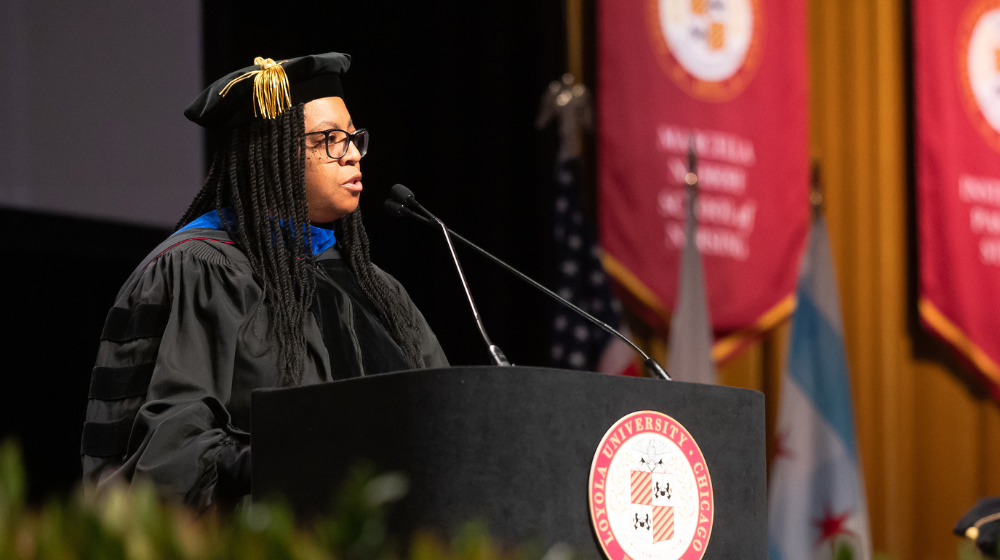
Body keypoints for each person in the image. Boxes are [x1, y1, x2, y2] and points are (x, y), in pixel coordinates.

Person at [80, 52, 448, 510]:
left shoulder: (380, 291)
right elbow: (170, 454)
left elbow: (447, 419)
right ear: (272, 154)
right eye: (331, 140)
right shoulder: (201, 270)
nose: (353, 153)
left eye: (354, 137)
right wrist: (290, 464)